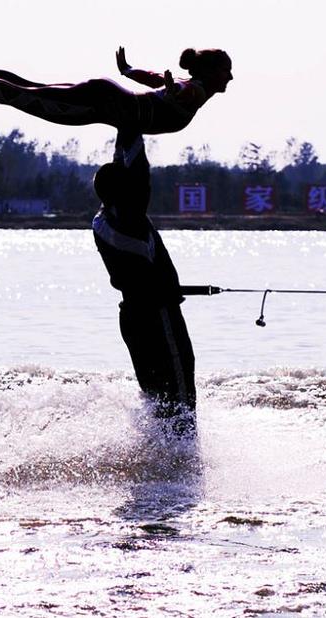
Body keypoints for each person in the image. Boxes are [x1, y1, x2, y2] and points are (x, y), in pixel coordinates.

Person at [92, 131, 197, 439]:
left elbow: (122, 166)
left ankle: (160, 458)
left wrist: (123, 128)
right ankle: (183, 459)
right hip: (156, 315)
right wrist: (132, 122)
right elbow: (138, 171)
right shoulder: (131, 217)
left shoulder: (103, 218)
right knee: (179, 390)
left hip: (134, 318)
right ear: (126, 191)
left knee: (157, 396)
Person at [0, 46, 232, 135]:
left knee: (29, 89)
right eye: (226, 70)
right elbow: (181, 90)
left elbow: (153, 78)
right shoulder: (196, 91)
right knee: (23, 95)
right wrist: (174, 92)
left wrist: (126, 71)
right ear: (209, 72)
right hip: (101, 103)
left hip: (103, 98)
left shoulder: (186, 85)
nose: (230, 77)